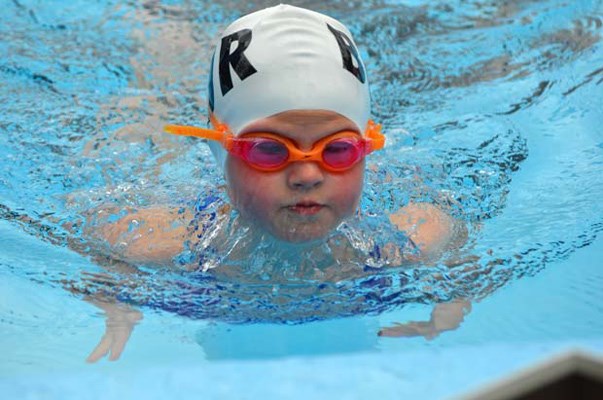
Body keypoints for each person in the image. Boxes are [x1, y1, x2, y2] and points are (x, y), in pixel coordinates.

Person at [85, 4, 466, 362]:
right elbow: (104, 236)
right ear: (221, 153)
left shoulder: (410, 240)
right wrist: (115, 298)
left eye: (338, 150)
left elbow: (458, 243)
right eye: (268, 150)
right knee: (146, 110)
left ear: (366, 151)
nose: (307, 176)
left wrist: (451, 306)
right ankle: (162, 21)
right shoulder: (170, 240)